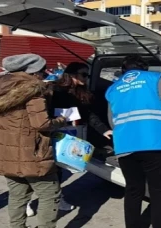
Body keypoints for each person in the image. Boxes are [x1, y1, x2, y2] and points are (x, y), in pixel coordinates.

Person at [0, 54, 66, 228]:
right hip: (32, 153)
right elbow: (42, 123)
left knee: (17, 195)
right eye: (42, 70)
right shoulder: (33, 91)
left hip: (7, 153)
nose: (44, 74)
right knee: (50, 194)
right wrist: (61, 120)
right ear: (33, 71)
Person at [104, 54, 161, 228]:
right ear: (144, 68)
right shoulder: (155, 79)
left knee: (133, 191)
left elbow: (112, 121)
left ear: (123, 70)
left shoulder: (113, 89)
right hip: (155, 143)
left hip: (125, 146)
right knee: (159, 193)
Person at [26, 61, 111, 215]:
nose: (86, 78)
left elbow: (89, 115)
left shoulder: (82, 93)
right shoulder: (54, 89)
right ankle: (28, 200)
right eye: (83, 74)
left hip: (71, 134)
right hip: (51, 132)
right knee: (44, 169)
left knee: (59, 169)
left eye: (88, 75)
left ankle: (58, 199)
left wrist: (104, 130)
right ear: (72, 74)